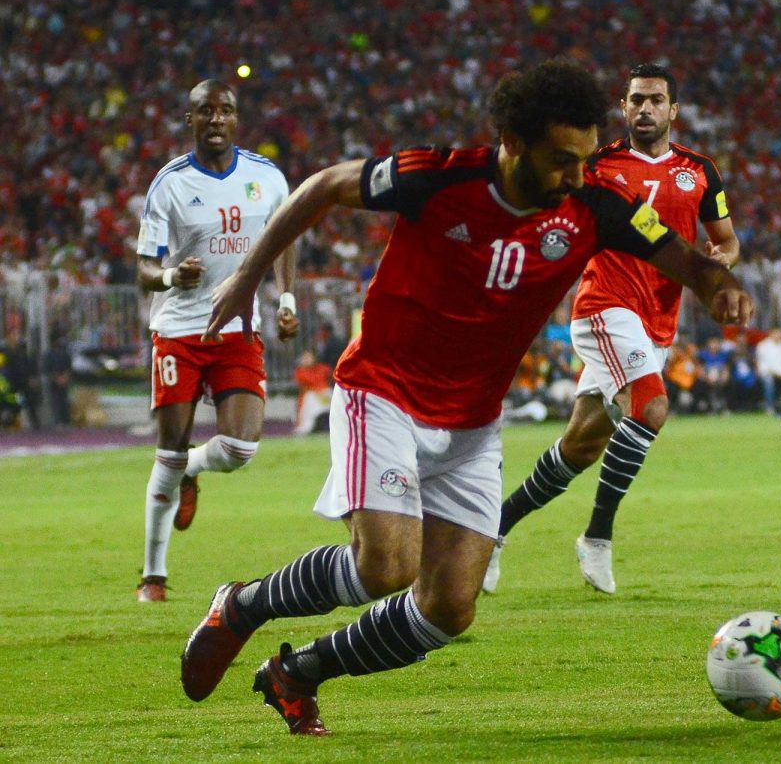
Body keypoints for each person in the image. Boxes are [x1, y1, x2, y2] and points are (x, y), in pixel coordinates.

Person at [179, 59, 752, 735]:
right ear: (512, 142)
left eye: (586, 159)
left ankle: (296, 674)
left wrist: (718, 287)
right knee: (385, 566)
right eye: (561, 161)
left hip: (474, 421)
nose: (576, 176)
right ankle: (242, 607)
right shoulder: (438, 175)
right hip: (383, 390)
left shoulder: (596, 204)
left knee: (450, 607)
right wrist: (248, 278)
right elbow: (326, 185)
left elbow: (689, 261)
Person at [483, 63, 738, 595]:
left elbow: (727, 240)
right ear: (623, 108)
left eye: (656, 100)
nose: (646, 109)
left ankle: (493, 530)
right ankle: (598, 536)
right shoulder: (596, 165)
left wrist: (723, 258)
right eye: (636, 100)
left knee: (580, 445)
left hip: (658, 322)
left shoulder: (700, 171)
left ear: (674, 110)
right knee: (651, 408)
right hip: (605, 305)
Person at [134, 80, 297, 603]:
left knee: (242, 447)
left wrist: (286, 298)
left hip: (236, 328)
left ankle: (191, 473)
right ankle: (152, 576)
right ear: (191, 119)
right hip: (179, 331)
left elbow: (284, 238)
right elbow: (143, 268)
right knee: (168, 448)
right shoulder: (170, 184)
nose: (216, 119)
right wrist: (168, 278)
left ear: (236, 118)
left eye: (225, 110)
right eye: (205, 110)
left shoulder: (266, 178)